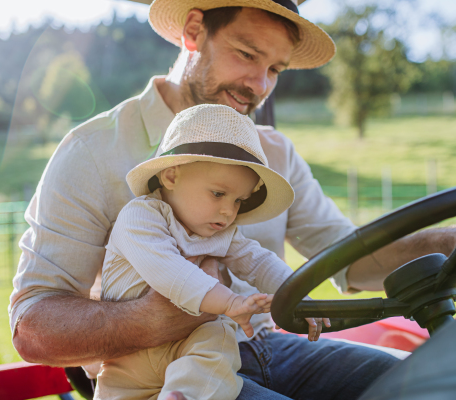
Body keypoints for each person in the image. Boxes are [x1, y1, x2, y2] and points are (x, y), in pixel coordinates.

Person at [9, 1, 456, 399]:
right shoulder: (95, 149)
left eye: (275, 70)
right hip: (159, 373)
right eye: (247, 54)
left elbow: (349, 258)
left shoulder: (271, 153)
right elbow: (33, 326)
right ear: (195, 31)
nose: (258, 85)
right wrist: (165, 315)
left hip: (272, 344)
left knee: (423, 387)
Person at [96, 104, 329, 400]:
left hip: (189, 351)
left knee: (219, 336)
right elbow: (170, 272)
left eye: (238, 201)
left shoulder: (222, 232)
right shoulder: (140, 218)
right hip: (128, 363)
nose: (228, 211)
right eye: (219, 193)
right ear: (170, 176)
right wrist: (230, 302)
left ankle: (185, 396)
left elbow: (259, 263)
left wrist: (299, 298)